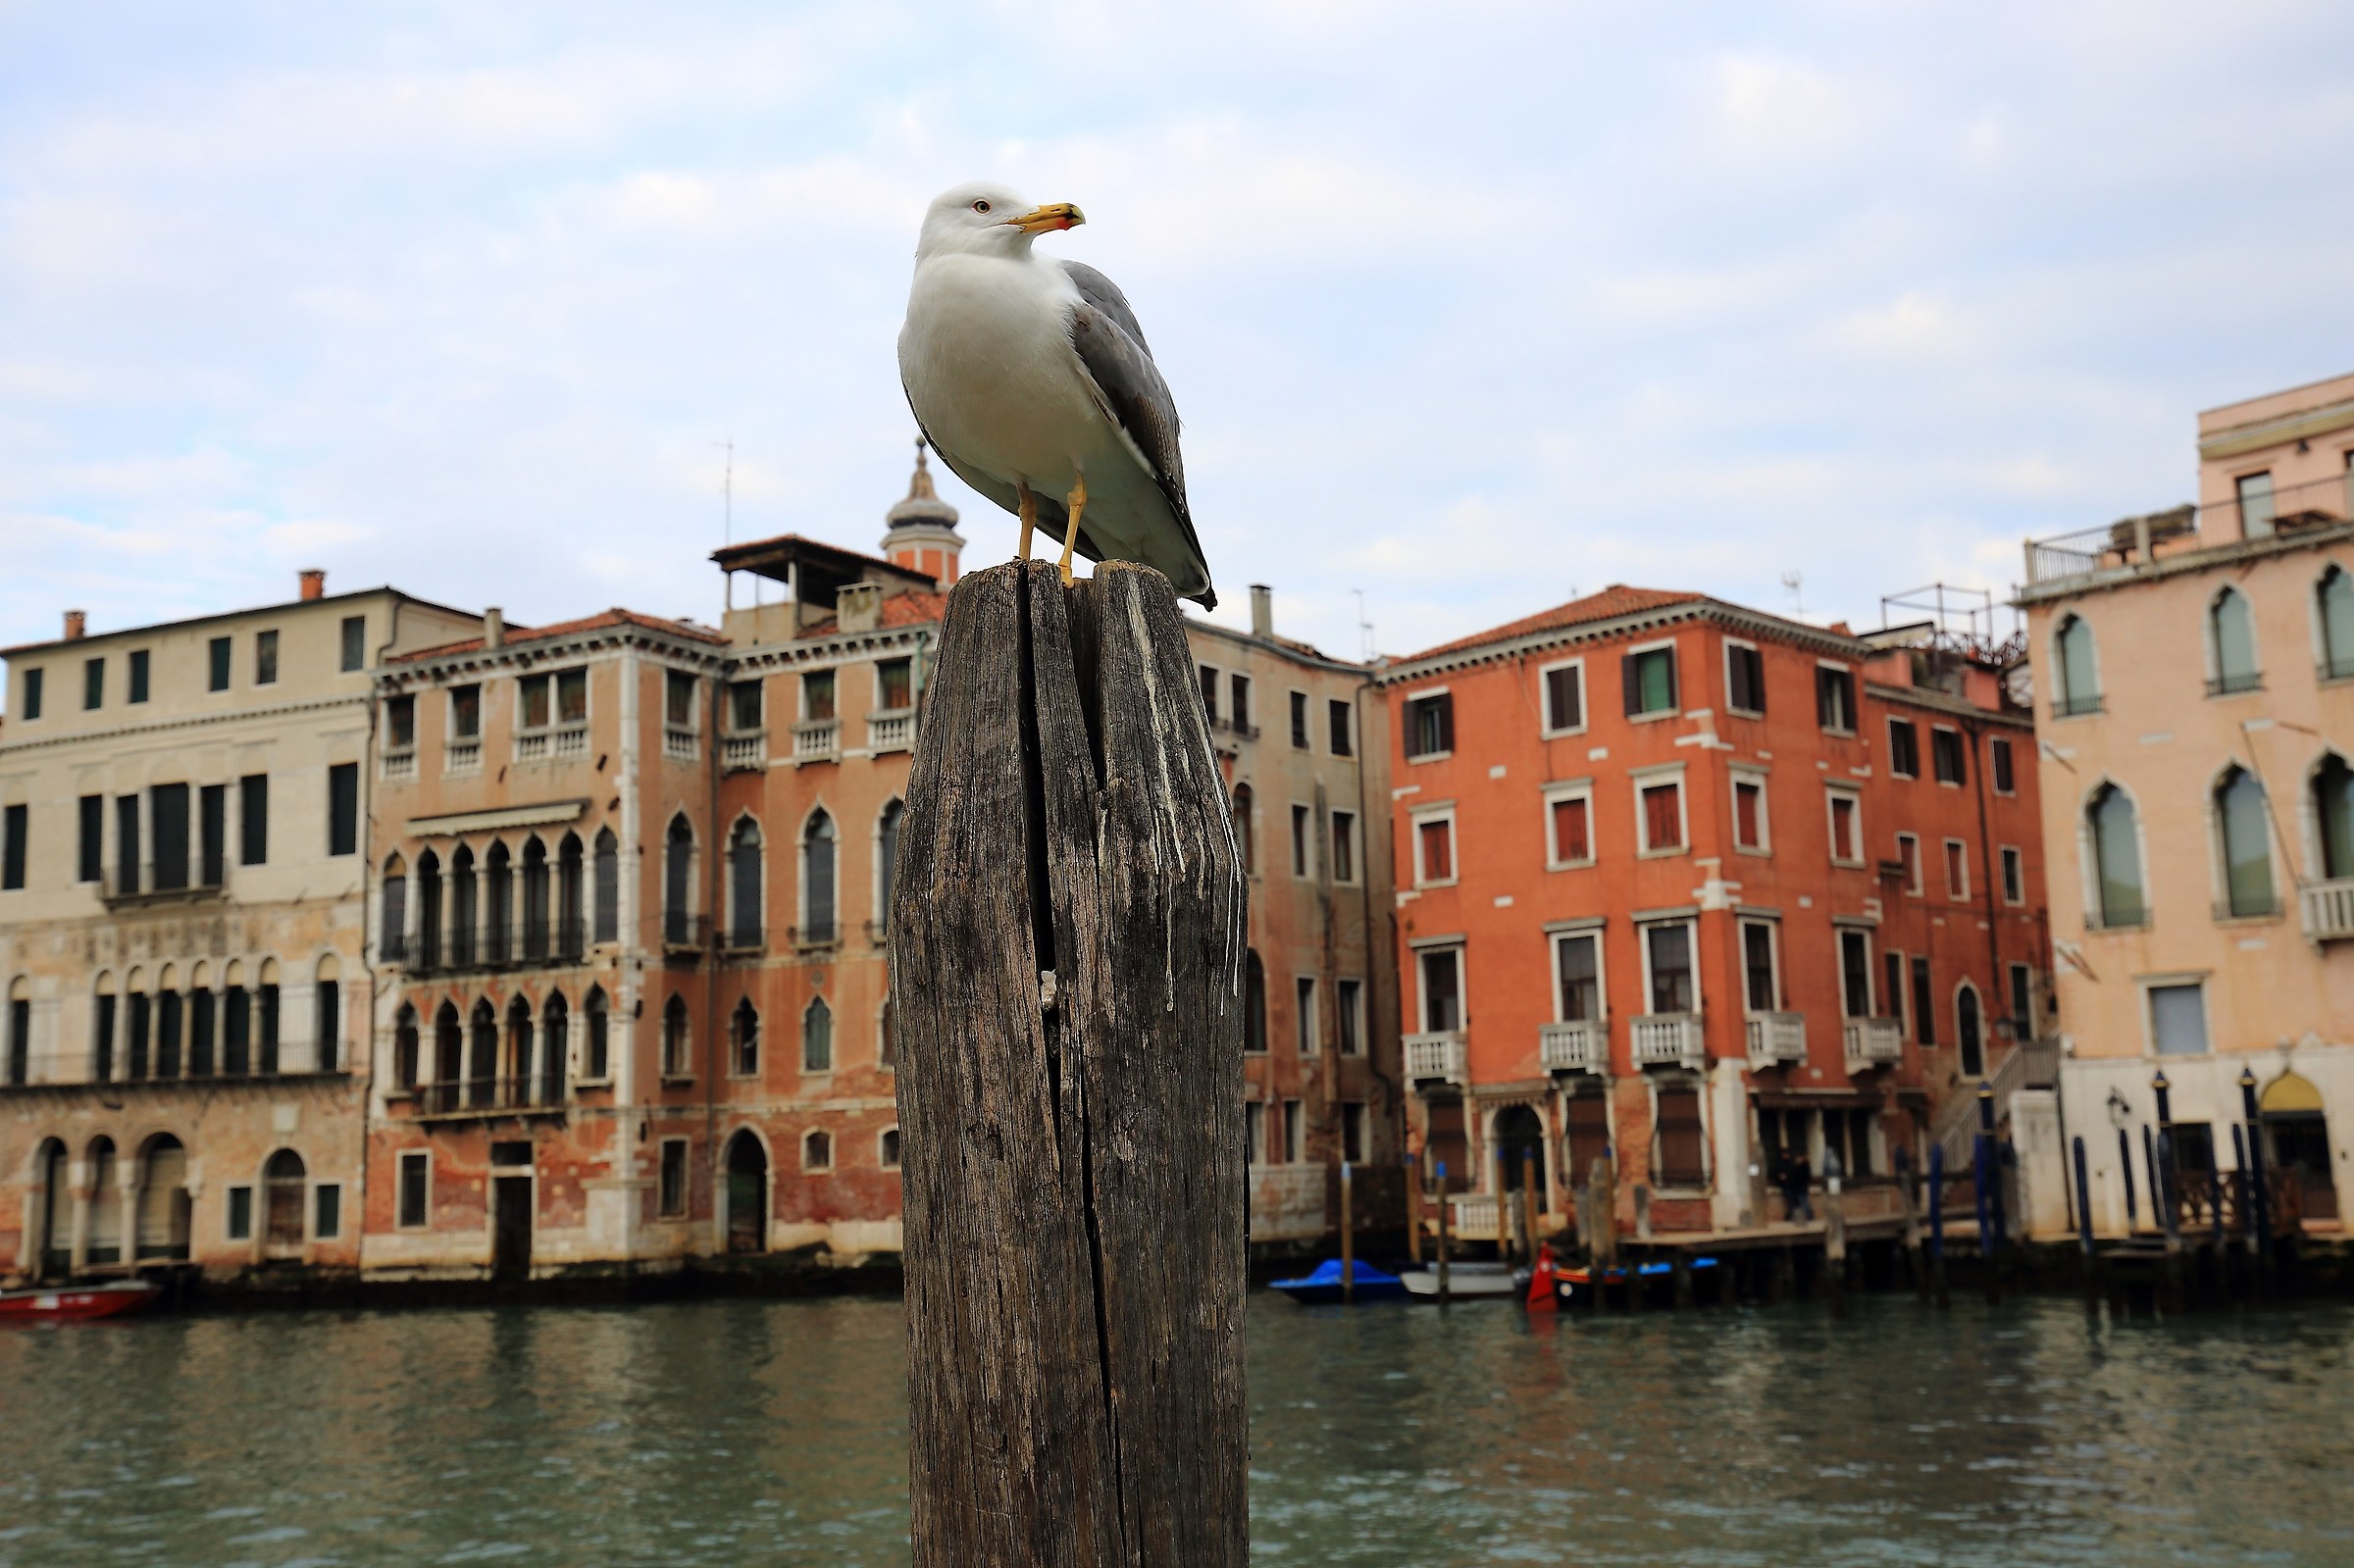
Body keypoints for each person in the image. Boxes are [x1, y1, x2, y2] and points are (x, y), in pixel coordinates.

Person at [1782, 1149, 1815, 1223]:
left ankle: (1809, 1215)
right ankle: (1804, 1216)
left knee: (1804, 1203)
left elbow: (1798, 1178)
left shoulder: (1802, 1167)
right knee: (1801, 1203)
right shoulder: (1799, 1167)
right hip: (1798, 1189)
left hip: (1800, 1188)